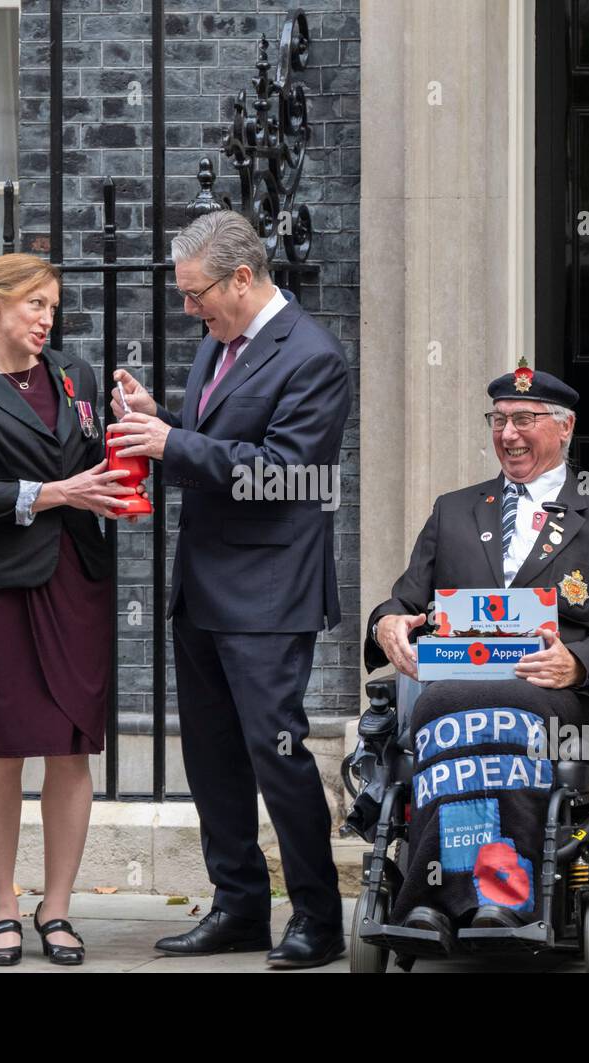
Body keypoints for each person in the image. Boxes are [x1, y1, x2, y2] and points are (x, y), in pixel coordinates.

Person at [109, 210, 351, 968]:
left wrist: (173, 444)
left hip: (270, 592)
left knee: (276, 750)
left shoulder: (313, 355)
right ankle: (238, 905)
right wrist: (166, 418)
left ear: (242, 278)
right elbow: (224, 437)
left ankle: (317, 917)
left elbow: (281, 470)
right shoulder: (223, 343)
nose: (189, 309)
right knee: (213, 756)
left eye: (196, 293)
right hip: (206, 584)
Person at [365, 368, 589, 939]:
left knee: (490, 713)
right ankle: (438, 900)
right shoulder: (455, 511)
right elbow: (401, 601)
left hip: (557, 696)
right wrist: (388, 625)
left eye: (524, 420)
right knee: (446, 710)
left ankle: (492, 898)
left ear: (565, 429)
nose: (509, 435)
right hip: (451, 690)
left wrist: (578, 663)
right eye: (498, 420)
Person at [0, 253, 143, 966]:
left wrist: (131, 426)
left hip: (76, 577)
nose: (47, 318)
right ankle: (2, 905)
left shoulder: (77, 376)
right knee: (1, 746)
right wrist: (57, 493)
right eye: (33, 305)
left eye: (52, 306)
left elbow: (98, 460)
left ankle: (57, 908)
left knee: (71, 745)